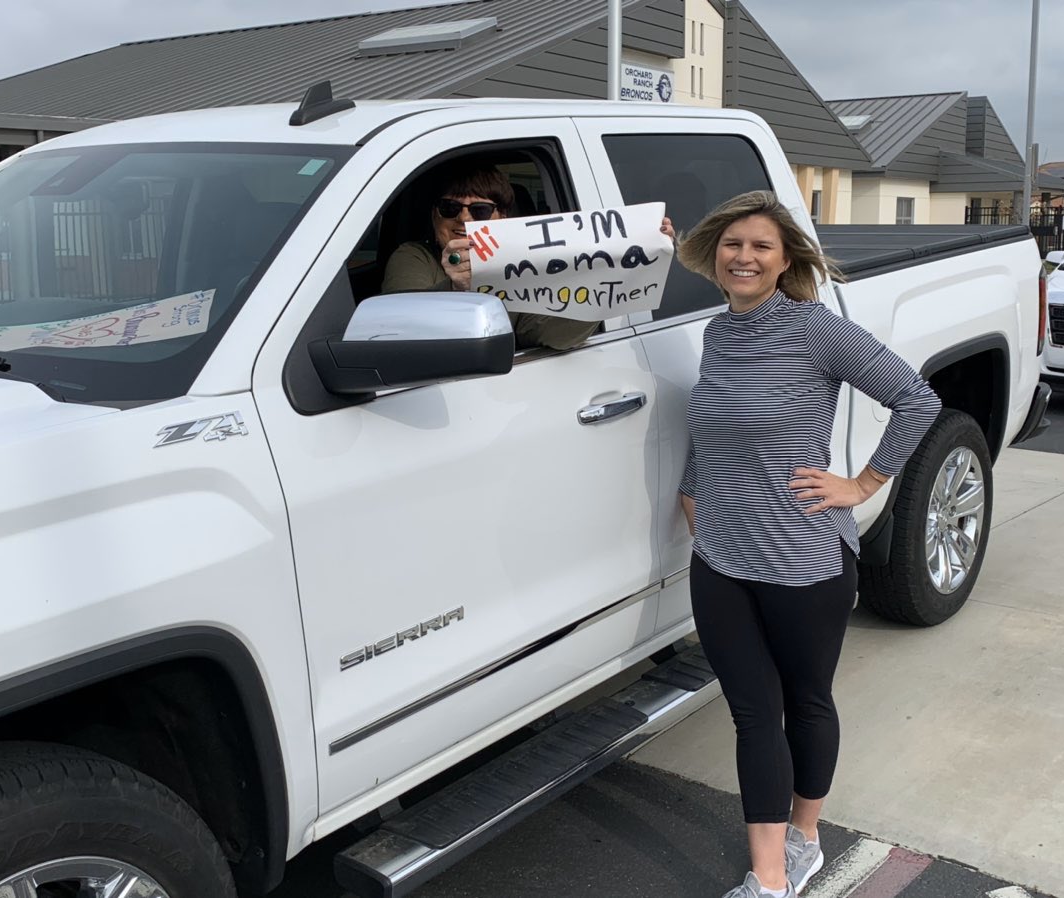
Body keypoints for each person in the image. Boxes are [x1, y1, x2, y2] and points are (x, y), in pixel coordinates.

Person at [674, 191, 941, 898]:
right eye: (733, 244)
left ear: (785, 258)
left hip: (803, 558)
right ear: (715, 255)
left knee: (806, 701)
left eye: (761, 246)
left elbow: (917, 399)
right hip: (721, 558)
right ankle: (769, 878)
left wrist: (863, 484)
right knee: (752, 712)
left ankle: (805, 839)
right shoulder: (717, 333)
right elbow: (713, 417)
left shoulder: (815, 329)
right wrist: (692, 487)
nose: (745, 256)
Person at [382, 161, 673, 351]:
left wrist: (634, 262)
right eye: (450, 208)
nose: (463, 219)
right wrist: (455, 288)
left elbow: (556, 333)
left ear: (502, 218)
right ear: (434, 215)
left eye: (480, 210)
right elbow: (401, 332)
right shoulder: (414, 257)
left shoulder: (526, 271)